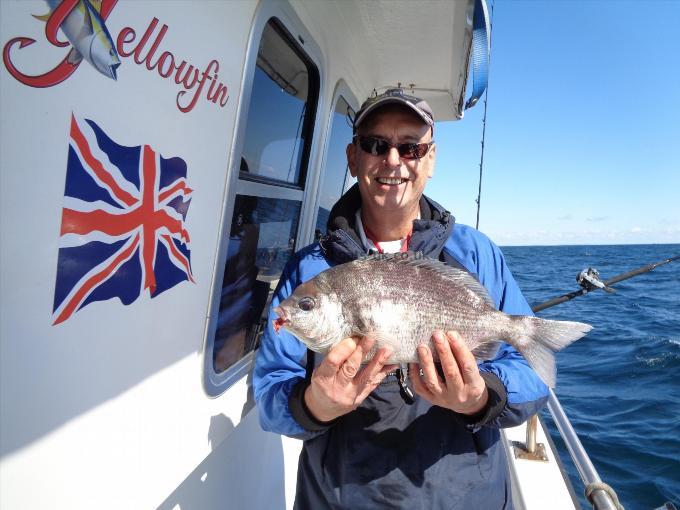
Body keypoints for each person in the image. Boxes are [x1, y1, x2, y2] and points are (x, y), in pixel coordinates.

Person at [253, 88, 549, 509]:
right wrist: (314, 404)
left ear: (430, 159)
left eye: (410, 147)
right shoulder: (310, 272)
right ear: (353, 157)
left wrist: (481, 397)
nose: (393, 161)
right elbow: (268, 391)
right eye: (376, 145)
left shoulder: (477, 253)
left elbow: (532, 378)